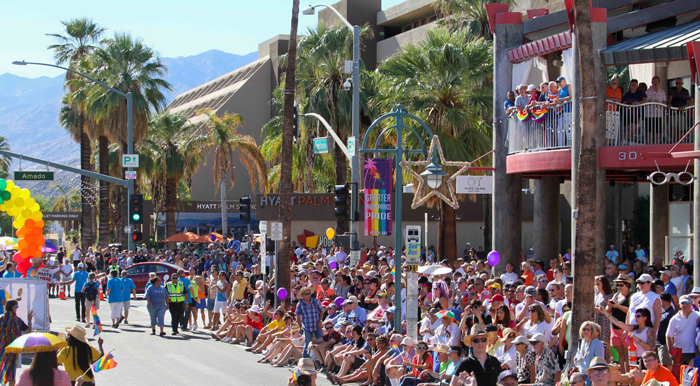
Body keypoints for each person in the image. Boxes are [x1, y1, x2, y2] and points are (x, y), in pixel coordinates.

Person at [0, 300, 33, 386]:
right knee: (11, 372)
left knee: (1, 368)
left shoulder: (1, 319)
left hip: (1, 349)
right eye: (16, 306)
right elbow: (28, 331)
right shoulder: (17, 320)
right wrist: (30, 321)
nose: (17, 308)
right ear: (12, 307)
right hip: (13, 350)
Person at [665, 295, 699, 366]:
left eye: (687, 302)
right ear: (679, 305)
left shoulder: (697, 315)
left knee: (691, 374)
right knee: (678, 373)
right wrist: (670, 351)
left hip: (693, 352)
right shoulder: (674, 319)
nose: (685, 305)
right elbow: (668, 335)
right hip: (678, 352)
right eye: (683, 303)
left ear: (691, 303)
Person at [609, 274, 632, 372]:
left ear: (627, 285)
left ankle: (627, 376)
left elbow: (631, 311)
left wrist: (618, 306)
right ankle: (622, 376)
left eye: (621, 285)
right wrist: (609, 306)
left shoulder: (631, 296)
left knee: (627, 354)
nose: (618, 287)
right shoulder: (616, 295)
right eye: (617, 285)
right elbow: (609, 310)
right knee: (620, 354)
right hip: (614, 327)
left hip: (625, 327)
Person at [296, 286, 324, 358]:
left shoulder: (315, 300)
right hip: (307, 327)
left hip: (317, 325)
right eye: (306, 294)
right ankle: (305, 361)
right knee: (307, 344)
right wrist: (300, 326)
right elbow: (298, 316)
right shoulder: (300, 304)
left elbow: (321, 310)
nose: (308, 295)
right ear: (302, 295)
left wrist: (320, 321)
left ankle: (321, 361)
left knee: (320, 342)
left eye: (309, 293)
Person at [646, 76, 667, 143]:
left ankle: (656, 145)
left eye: (656, 81)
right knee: (649, 131)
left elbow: (664, 101)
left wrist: (663, 103)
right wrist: (654, 102)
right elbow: (646, 101)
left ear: (659, 83)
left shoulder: (662, 91)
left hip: (659, 114)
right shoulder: (648, 91)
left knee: (657, 131)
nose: (655, 83)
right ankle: (649, 145)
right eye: (654, 81)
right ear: (651, 82)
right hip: (649, 114)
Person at [593, 275, 613, 345]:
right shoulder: (598, 296)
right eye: (595, 284)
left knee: (605, 344)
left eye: (598, 284)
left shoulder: (609, 296)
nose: (596, 286)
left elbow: (602, 310)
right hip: (597, 321)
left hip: (605, 323)